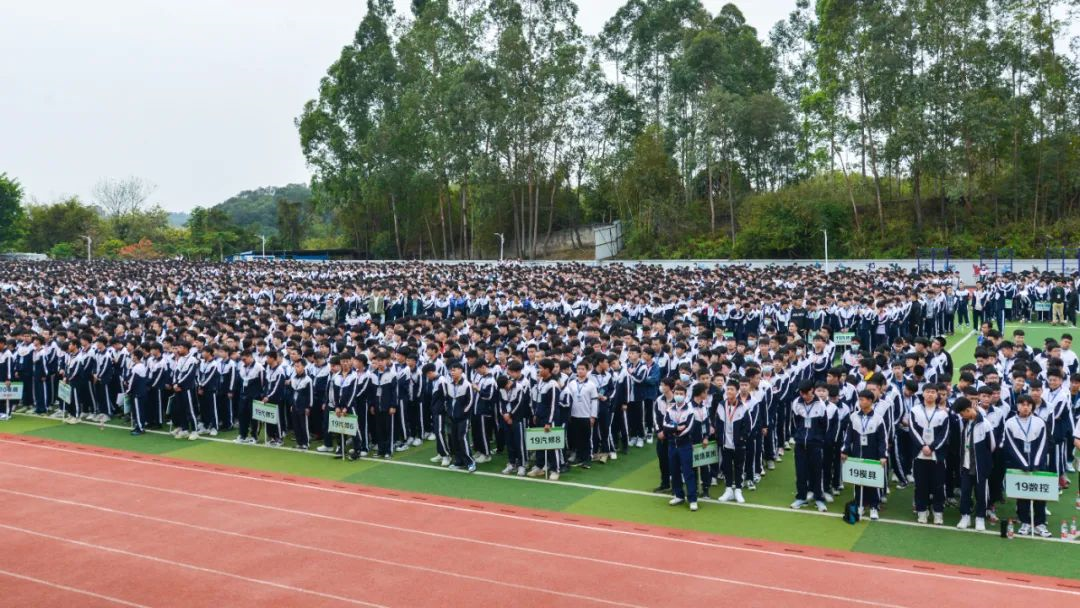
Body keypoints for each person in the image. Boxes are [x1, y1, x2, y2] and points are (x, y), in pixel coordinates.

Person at [1003, 395, 1051, 537]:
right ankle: (1025, 521)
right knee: (1022, 495)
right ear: (1017, 406)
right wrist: (1023, 464)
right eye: (1022, 404)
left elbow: (1043, 443)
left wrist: (1036, 463)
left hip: (1038, 465)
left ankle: (1040, 523)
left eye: (1028, 405)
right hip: (1019, 465)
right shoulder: (1010, 423)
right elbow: (1010, 445)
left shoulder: (1039, 422)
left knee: (1039, 495)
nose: (1025, 407)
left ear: (1032, 407)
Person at [908, 383, 950, 525]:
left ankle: (938, 512)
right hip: (919, 455)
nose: (930, 394)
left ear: (937, 395)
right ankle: (921, 511)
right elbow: (913, 430)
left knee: (938, 485)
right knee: (921, 485)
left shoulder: (943, 413)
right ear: (923, 393)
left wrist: (931, 448)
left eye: (933, 392)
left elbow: (944, 435)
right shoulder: (915, 410)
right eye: (928, 391)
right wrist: (922, 446)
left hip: (937, 456)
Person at [841, 390, 887, 520]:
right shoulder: (853, 416)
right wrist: (845, 451)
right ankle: (860, 505)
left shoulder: (878, 418)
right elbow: (848, 436)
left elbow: (882, 439)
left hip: (873, 455)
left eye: (863, 399)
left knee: (873, 482)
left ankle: (874, 507)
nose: (860, 402)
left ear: (870, 401)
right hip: (857, 454)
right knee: (858, 480)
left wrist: (883, 455)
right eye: (859, 399)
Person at [953, 397, 994, 531]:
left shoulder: (985, 424)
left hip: (980, 467)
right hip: (966, 465)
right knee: (965, 492)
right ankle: (965, 516)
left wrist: (983, 460)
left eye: (962, 414)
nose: (961, 416)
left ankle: (980, 518)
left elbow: (992, 445)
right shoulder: (965, 423)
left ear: (968, 410)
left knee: (981, 494)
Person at [660, 382, 701, 511]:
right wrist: (676, 428)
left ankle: (692, 499)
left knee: (688, 472)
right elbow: (665, 426)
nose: (678, 395)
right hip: (672, 445)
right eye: (677, 393)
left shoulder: (690, 410)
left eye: (681, 394)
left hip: (685, 445)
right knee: (674, 471)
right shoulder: (669, 409)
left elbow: (688, 428)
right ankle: (679, 495)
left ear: (685, 395)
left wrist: (674, 431)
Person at [790, 380, 829, 512]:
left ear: (812, 390)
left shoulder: (820, 405)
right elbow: (795, 422)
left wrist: (818, 439)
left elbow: (825, 425)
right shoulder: (797, 402)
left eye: (806, 393)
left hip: (815, 444)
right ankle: (801, 497)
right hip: (800, 443)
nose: (803, 396)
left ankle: (819, 499)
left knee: (817, 472)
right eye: (801, 393)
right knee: (800, 471)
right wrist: (799, 436)